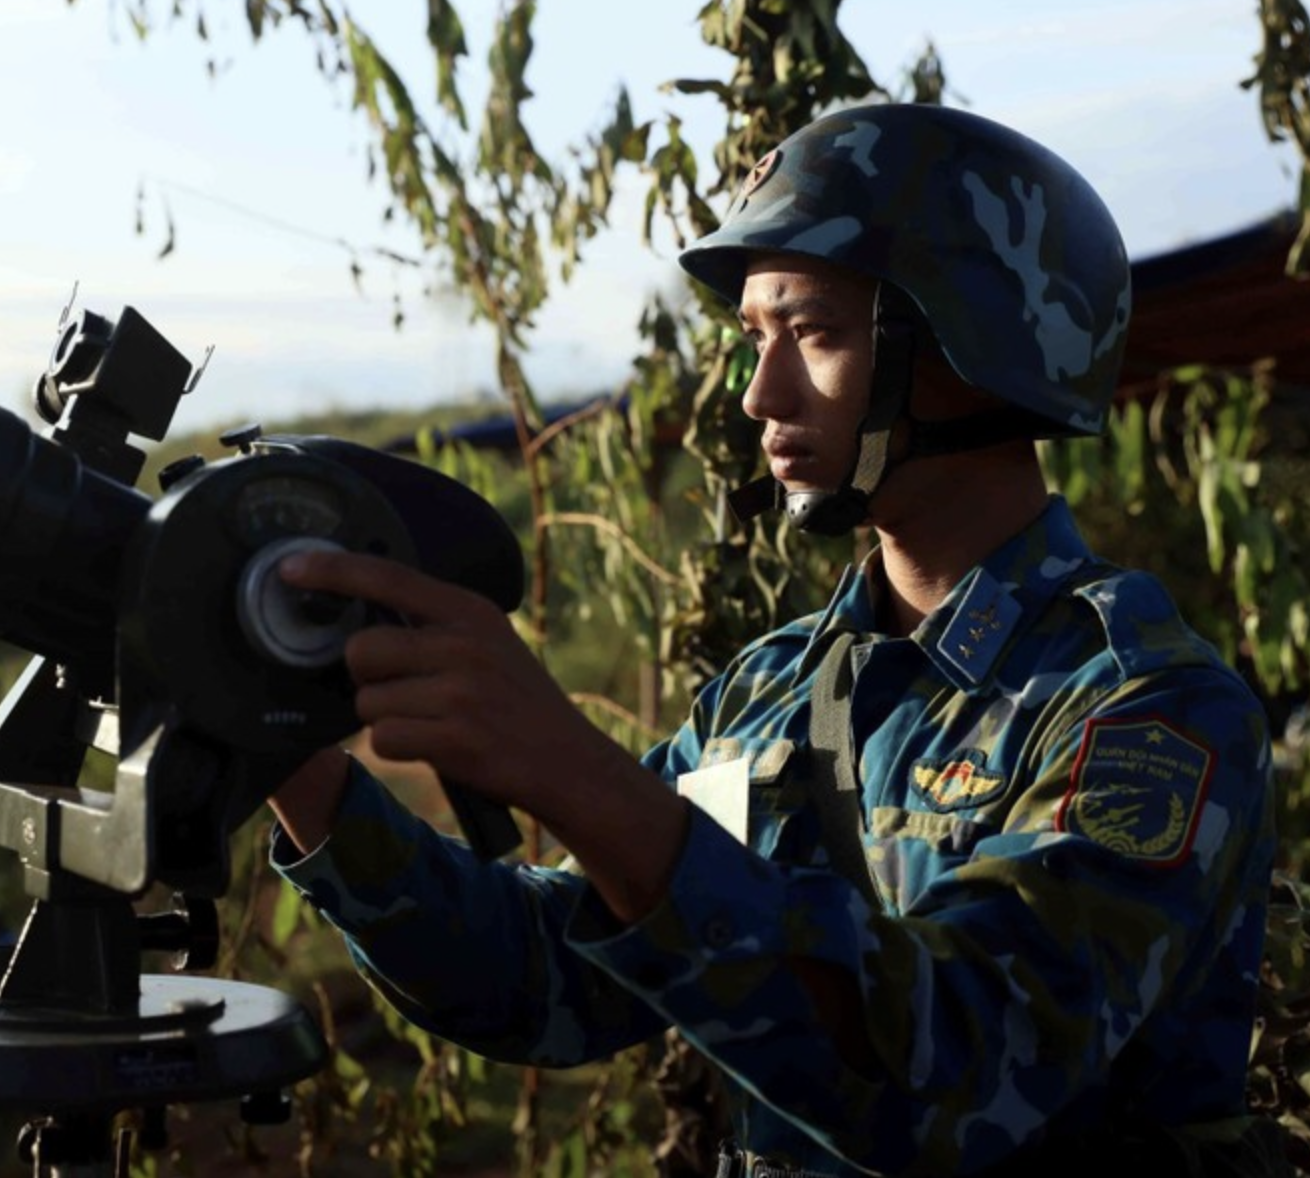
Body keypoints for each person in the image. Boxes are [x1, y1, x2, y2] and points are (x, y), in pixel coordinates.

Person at [264, 103, 1281, 1176]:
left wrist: (568, 766)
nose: (758, 394)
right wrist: (292, 760)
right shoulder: (779, 686)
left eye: (815, 333)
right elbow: (545, 979)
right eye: (754, 338)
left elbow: (959, 1066)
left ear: (969, 348)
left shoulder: (1144, 706)